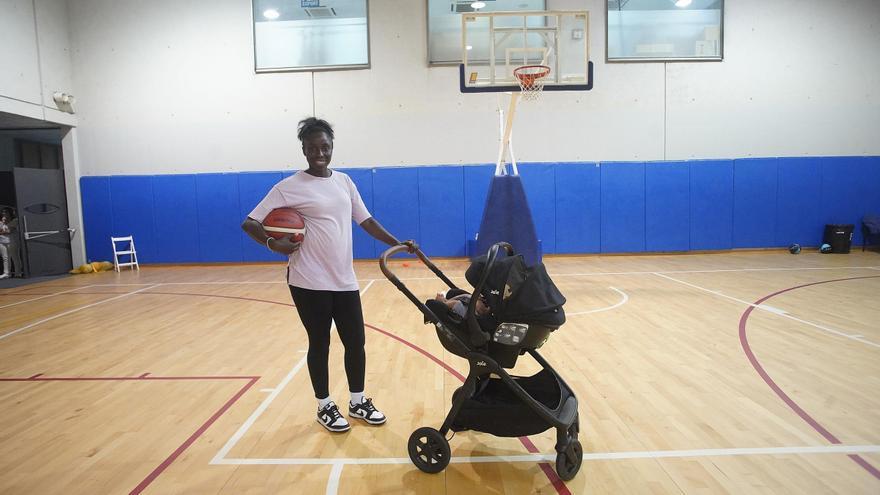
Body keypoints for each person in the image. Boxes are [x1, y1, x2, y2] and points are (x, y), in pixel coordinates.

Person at [241, 117, 416, 433]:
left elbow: (366, 220)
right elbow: (250, 222)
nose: (319, 153)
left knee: (356, 342)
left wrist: (398, 242)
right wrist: (272, 243)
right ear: (304, 150)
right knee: (320, 343)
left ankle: (357, 401)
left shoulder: (344, 182)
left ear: (332, 146)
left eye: (325, 147)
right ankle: (324, 406)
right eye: (312, 148)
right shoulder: (288, 187)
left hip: (344, 278)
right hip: (308, 280)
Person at [0, 208, 21, 279]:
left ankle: (18, 273)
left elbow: (9, 231)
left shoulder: (15, 220)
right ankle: (7, 273)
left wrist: (2, 231)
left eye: (5, 211)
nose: (3, 213)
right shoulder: (1, 222)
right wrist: (3, 222)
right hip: (2, 242)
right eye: (2, 212)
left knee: (15, 257)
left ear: (10, 213)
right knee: (5, 258)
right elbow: (4, 230)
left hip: (12, 241)